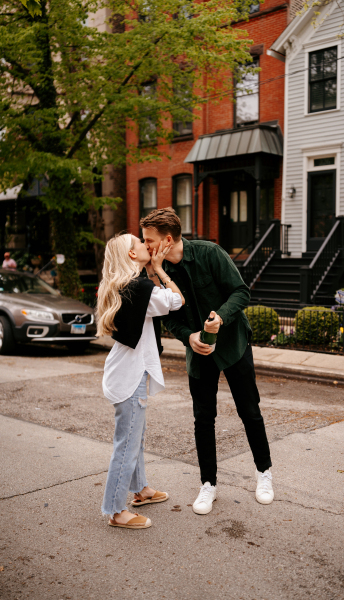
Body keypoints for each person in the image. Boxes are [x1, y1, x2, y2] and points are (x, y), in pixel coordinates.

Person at [141, 208, 274, 516]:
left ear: (167, 240)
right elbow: (169, 318)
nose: (144, 245)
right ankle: (208, 484)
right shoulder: (156, 271)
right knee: (203, 418)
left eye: (149, 240)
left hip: (233, 343)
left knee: (249, 411)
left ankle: (264, 473)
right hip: (198, 352)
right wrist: (188, 337)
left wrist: (220, 317)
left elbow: (241, 292)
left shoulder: (209, 252)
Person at [96, 233, 185, 529]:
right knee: (127, 443)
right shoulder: (140, 288)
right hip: (130, 376)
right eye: (140, 243)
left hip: (125, 370)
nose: (146, 245)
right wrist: (159, 269)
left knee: (135, 437)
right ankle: (115, 510)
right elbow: (177, 300)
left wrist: (151, 272)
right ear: (132, 255)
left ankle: (142, 490)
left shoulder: (124, 285)